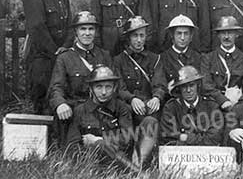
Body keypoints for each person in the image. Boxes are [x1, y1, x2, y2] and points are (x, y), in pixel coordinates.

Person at [48, 11, 112, 147]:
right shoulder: (65, 58)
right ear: (76, 32)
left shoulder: (104, 56)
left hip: (101, 110)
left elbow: (114, 85)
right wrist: (60, 104)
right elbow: (56, 87)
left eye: (91, 29)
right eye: (83, 29)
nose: (87, 33)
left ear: (96, 31)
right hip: (76, 111)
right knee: (74, 151)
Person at [23, 0, 72, 114]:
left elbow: (69, 22)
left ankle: (58, 135)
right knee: (42, 97)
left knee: (60, 96)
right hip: (42, 57)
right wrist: (55, 52)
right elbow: (37, 28)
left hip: (61, 54)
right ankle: (42, 137)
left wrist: (65, 47)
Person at [113, 16, 166, 166]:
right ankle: (123, 159)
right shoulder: (118, 60)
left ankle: (141, 162)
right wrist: (131, 99)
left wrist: (156, 97)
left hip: (148, 107)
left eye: (141, 35)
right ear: (128, 38)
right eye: (135, 36)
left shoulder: (155, 59)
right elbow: (118, 87)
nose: (138, 40)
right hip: (127, 108)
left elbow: (160, 83)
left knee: (152, 120)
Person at [66, 65, 137, 170]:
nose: (103, 92)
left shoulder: (121, 108)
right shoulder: (80, 110)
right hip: (90, 163)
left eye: (108, 87)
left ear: (114, 88)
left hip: (117, 162)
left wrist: (99, 142)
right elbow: (72, 145)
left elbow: (127, 139)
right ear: (91, 88)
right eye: (99, 87)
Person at [160, 65, 223, 145]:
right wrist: (200, 139)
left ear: (198, 85)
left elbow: (215, 138)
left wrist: (185, 137)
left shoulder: (211, 106)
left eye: (192, 85)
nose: (188, 90)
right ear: (179, 88)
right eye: (184, 86)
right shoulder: (171, 107)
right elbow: (168, 137)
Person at [201, 16, 243, 111]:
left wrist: (240, 103)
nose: (226, 37)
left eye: (230, 33)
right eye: (223, 33)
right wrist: (222, 100)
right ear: (218, 35)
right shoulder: (208, 58)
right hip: (214, 105)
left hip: (238, 106)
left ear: (237, 34)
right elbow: (206, 85)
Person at [159, 14, 201, 90]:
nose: (182, 38)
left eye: (186, 34)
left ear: (191, 36)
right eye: (179, 33)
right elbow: (161, 85)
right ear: (172, 35)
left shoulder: (198, 58)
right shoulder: (163, 58)